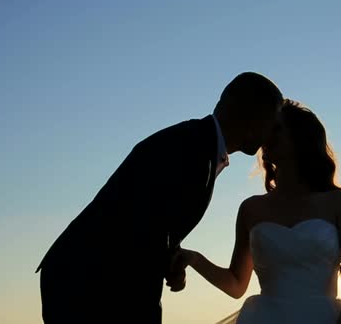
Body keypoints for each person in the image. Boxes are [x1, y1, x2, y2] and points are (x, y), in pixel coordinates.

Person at [34, 72, 284, 324]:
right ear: (252, 117)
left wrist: (171, 261)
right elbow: (143, 234)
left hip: (88, 279)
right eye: (271, 124)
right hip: (85, 284)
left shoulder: (198, 145)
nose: (271, 136)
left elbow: (155, 223)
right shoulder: (192, 150)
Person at [174, 99, 341, 324]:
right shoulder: (251, 209)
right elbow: (236, 284)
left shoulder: (340, 204)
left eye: (276, 129)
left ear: (300, 139)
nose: (266, 136)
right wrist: (195, 259)